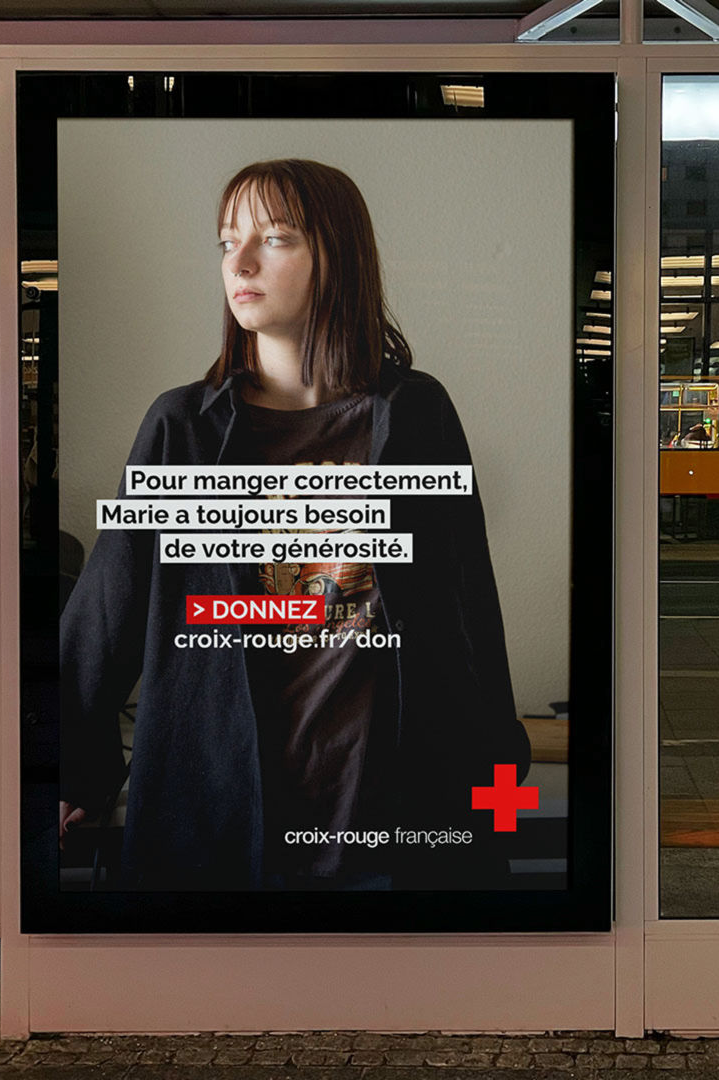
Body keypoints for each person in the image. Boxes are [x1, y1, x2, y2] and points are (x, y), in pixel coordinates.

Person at [57, 158, 530, 891]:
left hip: (387, 802)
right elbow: (107, 611)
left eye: (273, 238)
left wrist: (502, 770)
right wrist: (71, 769)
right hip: (224, 799)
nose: (238, 262)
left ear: (335, 256)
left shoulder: (415, 416)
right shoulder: (181, 427)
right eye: (225, 243)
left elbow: (470, 606)